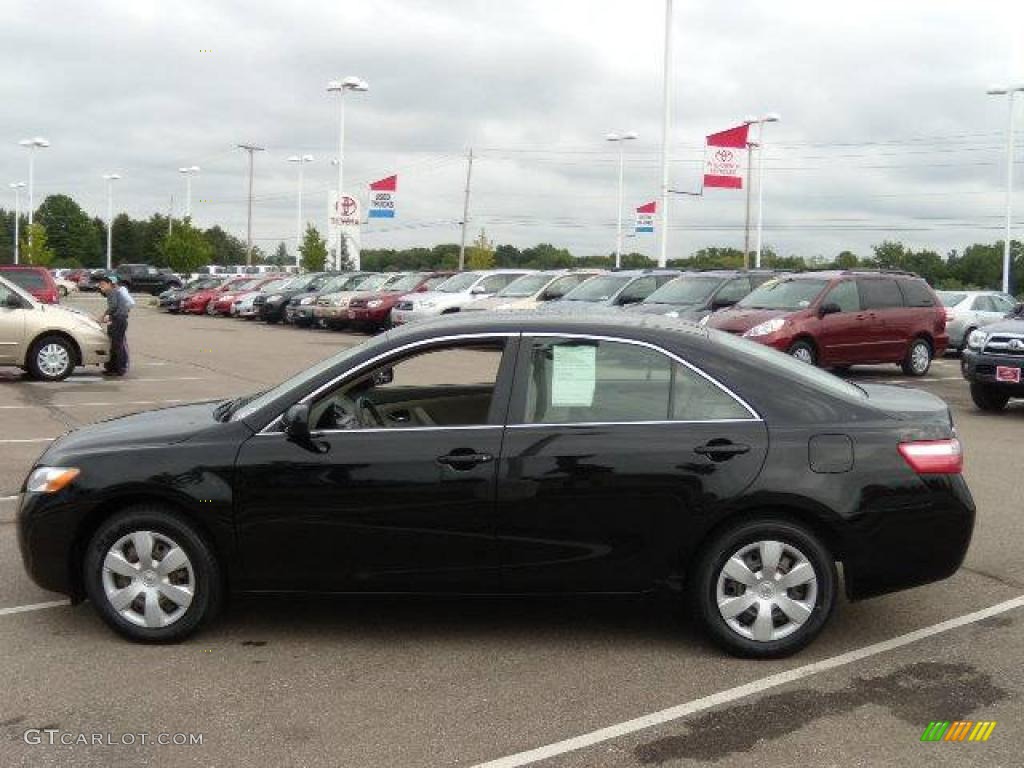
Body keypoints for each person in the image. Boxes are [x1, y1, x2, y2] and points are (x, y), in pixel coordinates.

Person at [94, 272, 132, 376]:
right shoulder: (114, 292)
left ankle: (119, 369)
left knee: (116, 345)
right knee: (114, 345)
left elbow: (114, 306)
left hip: (118, 321)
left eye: (103, 285)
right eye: (100, 286)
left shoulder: (111, 292)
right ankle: (112, 368)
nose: (101, 288)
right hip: (118, 319)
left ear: (109, 284)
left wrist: (104, 316)